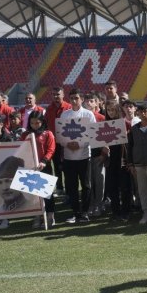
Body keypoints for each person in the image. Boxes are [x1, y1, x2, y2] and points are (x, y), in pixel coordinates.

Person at [59, 89, 96, 224]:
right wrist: (68, 144)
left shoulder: (88, 114)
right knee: (71, 186)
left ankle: (85, 213)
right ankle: (75, 212)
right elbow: (60, 135)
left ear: (81, 99)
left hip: (85, 155)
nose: (74, 100)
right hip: (69, 156)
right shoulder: (65, 115)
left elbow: (92, 134)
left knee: (86, 185)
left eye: (76, 98)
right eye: (72, 98)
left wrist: (79, 145)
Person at [23, 111, 57, 229]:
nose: (35, 125)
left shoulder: (48, 134)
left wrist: (44, 161)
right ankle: (37, 216)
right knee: (33, 194)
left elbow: (51, 149)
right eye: (32, 123)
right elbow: (22, 149)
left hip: (44, 166)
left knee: (47, 193)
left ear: (42, 122)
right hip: (30, 167)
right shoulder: (25, 134)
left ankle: (50, 216)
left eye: (37, 123)